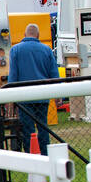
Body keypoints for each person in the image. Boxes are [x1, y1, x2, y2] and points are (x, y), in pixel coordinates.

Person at [8, 22, 59, 153]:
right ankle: (45, 153)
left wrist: (10, 98)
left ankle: (31, 154)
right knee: (43, 127)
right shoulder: (46, 49)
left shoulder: (15, 50)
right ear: (38, 35)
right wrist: (58, 95)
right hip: (42, 96)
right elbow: (54, 74)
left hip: (24, 97)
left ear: (25, 34)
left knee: (27, 129)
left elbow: (13, 76)